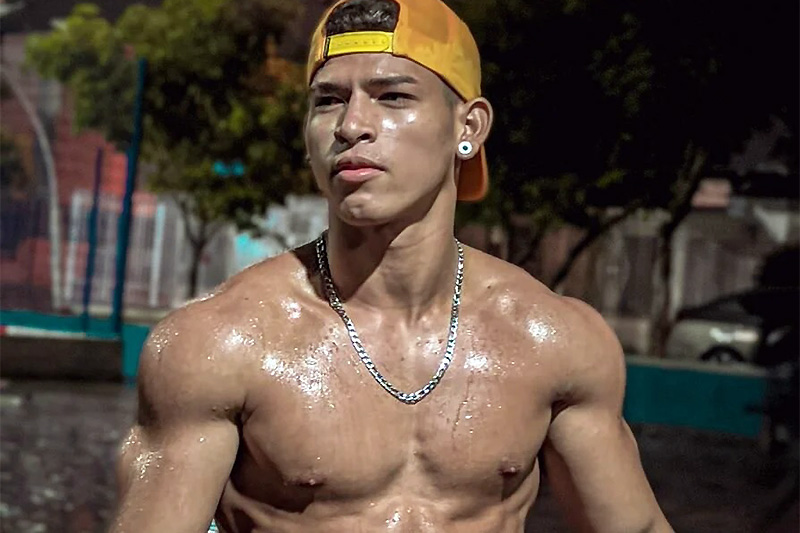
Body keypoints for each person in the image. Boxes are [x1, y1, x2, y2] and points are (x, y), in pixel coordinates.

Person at [111, 0, 674, 531]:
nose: (351, 125)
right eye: (328, 100)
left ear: (469, 128)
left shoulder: (554, 341)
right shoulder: (219, 344)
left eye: (393, 96)